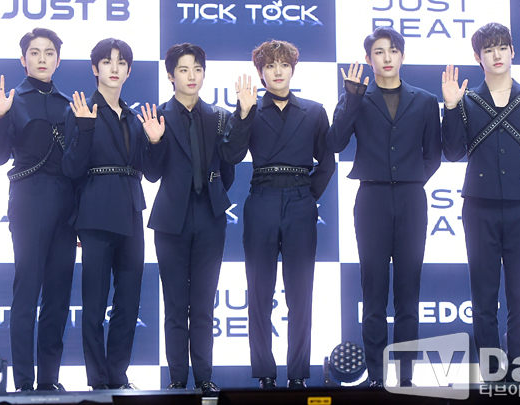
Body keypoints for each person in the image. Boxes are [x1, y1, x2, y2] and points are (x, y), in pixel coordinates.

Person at [326, 26, 441, 388]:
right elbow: (334, 142)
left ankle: (405, 378)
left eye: (393, 50)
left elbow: (434, 154)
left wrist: (410, 179)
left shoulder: (425, 100)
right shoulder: (356, 97)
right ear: (368, 58)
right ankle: (376, 378)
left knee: (408, 294)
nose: (387, 57)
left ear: (402, 56)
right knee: (373, 294)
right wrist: (351, 99)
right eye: (379, 51)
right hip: (371, 200)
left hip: (411, 199)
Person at [220, 39, 335, 389]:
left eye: (283, 64)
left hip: (300, 200)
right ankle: (265, 373)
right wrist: (243, 114)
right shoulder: (250, 109)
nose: (278, 71)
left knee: (301, 291)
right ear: (260, 73)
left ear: (293, 69)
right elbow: (232, 155)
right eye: (270, 66)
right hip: (262, 198)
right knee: (259, 291)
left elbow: (327, 163)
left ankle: (298, 374)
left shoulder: (314, 111)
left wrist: (307, 196)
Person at [441, 22, 520, 381]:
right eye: (488, 49)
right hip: (479, 208)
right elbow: (453, 153)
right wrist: (450, 107)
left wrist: (517, 185)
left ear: (512, 51)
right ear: (478, 57)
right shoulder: (467, 101)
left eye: (502, 47)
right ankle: (491, 373)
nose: (497, 55)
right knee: (484, 297)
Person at [62, 38, 164, 390]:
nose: (115, 68)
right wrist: (84, 129)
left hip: (132, 211)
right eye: (107, 61)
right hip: (95, 212)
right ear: (95, 68)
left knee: (129, 301)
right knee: (94, 304)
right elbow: (71, 168)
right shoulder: (80, 110)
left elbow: (152, 173)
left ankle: (118, 375)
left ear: (129, 70)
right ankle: (98, 379)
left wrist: (155, 141)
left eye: (121, 62)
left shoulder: (134, 118)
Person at [140, 43, 234, 397]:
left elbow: (227, 172)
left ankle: (204, 377)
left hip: (210, 217)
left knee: (205, 304)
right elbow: (151, 174)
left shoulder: (220, 117)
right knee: (176, 305)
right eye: (183, 69)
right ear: (170, 75)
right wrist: (154, 142)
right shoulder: (157, 116)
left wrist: (210, 194)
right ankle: (178, 379)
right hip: (170, 220)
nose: (191, 76)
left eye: (197, 68)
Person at [0, 28, 75, 393]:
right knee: (27, 292)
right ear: (23, 59)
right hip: (28, 198)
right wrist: (0, 116)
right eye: (34, 52)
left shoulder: (69, 104)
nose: (42, 58)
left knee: (58, 294)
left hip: (66, 203)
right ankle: (23, 381)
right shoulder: (12, 100)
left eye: (49, 52)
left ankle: (49, 379)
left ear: (58, 59)